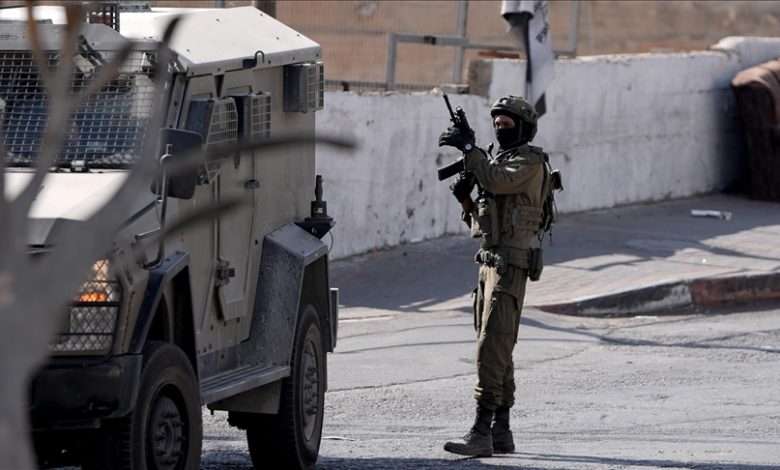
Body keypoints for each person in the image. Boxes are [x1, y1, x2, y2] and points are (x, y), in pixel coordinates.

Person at [438, 95, 547, 457]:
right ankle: (502, 430)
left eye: (508, 125)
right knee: (499, 347)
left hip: (509, 266)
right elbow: (484, 223)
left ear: (524, 128)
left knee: (491, 347)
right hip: (488, 264)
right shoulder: (497, 161)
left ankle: (481, 431)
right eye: (497, 124)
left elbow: (497, 182)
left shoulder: (529, 163)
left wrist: (470, 148)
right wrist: (465, 201)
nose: (501, 130)